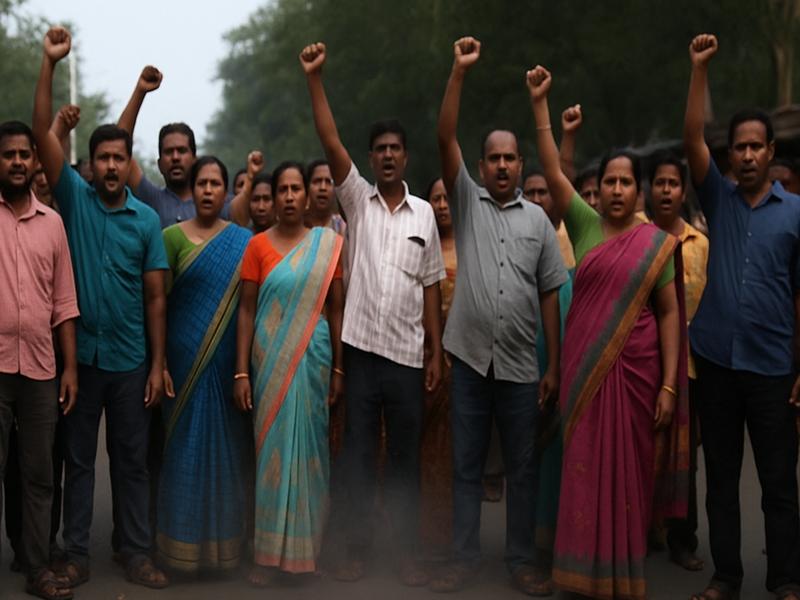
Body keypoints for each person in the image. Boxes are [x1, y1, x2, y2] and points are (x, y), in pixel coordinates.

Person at [528, 64, 684, 600]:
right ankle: (575, 572)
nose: (616, 189)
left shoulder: (653, 244)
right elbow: (552, 171)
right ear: (598, 190)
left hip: (637, 379)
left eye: (625, 182)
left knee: (625, 478)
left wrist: (667, 384)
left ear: (637, 190)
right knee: (583, 470)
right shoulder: (586, 224)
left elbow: (668, 314)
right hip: (585, 375)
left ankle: (619, 574)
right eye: (609, 182)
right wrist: (540, 105)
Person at [300, 42, 445, 585]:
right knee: (357, 460)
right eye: (379, 148)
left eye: (394, 149)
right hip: (361, 354)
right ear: (372, 157)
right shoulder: (356, 200)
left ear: (406, 157)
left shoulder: (425, 214)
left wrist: (434, 350)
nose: (386, 155)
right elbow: (329, 139)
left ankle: (405, 553)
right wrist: (315, 78)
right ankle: (355, 549)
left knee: (405, 461)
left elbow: (431, 284)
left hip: (408, 358)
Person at [32, 26, 169, 590]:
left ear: (128, 163)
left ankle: (135, 552)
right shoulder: (75, 202)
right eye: (101, 159)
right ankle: (80, 553)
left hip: (133, 361)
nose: (111, 167)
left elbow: (157, 295)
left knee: (132, 463)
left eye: (119, 158)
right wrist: (48, 63)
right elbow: (43, 132)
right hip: (82, 363)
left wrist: (158, 365)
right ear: (87, 167)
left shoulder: (146, 220)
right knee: (81, 464)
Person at [430, 36, 567, 596]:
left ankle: (519, 559)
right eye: (495, 158)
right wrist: (458, 71)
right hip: (467, 359)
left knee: (521, 467)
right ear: (481, 165)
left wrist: (553, 365)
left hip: (517, 367)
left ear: (520, 163)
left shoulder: (538, 221)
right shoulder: (466, 200)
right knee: (465, 464)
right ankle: (463, 556)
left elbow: (551, 294)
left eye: (512, 157)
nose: (504, 165)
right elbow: (444, 135)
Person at [683, 34, 800, 600]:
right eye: (739, 147)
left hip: (774, 367)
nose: (748, 155)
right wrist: (699, 70)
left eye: (757, 146)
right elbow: (690, 139)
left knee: (779, 484)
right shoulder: (718, 198)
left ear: (771, 151)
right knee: (721, 480)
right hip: (716, 363)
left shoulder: (797, 214)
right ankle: (726, 575)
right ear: (730, 155)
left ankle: (784, 578)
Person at [234, 161, 344, 584]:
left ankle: (305, 554)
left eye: (297, 189)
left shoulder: (328, 245)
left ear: (307, 195)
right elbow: (246, 310)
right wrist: (240, 372)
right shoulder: (257, 246)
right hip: (268, 363)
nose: (290, 196)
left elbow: (336, 308)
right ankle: (266, 557)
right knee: (271, 456)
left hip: (313, 359)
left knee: (311, 453)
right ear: (274, 196)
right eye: (283, 189)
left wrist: (338, 367)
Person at [156, 156, 252, 574]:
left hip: (227, 363)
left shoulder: (245, 241)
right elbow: (158, 304)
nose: (209, 190)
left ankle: (223, 553)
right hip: (182, 365)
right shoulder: (171, 238)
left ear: (227, 192)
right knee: (182, 454)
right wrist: (158, 363)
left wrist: (244, 369)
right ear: (192, 190)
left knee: (226, 455)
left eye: (216, 184)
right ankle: (181, 552)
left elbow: (249, 307)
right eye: (202, 183)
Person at [0, 120, 80, 600]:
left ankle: (37, 566)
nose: (16, 162)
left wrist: (69, 368)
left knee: (37, 472)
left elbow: (64, 303)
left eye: (23, 155)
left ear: (34, 161)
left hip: (40, 368)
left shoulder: (52, 223)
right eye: (7, 154)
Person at [649, 151, 708, 574]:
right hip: (643, 364)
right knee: (641, 453)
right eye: (659, 183)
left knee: (684, 460)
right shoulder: (637, 239)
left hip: (692, 367)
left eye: (673, 183)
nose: (666, 190)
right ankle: (640, 534)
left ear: (683, 191)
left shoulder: (700, 244)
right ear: (648, 189)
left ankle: (682, 539)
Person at [116, 66, 254, 229]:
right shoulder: (151, 199)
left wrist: (252, 176)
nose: (175, 157)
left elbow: (242, 217)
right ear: (160, 164)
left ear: (195, 161)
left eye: (182, 151)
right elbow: (118, 147)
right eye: (169, 152)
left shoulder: (218, 202)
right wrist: (140, 91)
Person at [418, 177, 456, 558]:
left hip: (468, 362)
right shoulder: (423, 248)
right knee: (430, 451)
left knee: (460, 453)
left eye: (448, 198)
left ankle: (456, 538)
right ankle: (427, 536)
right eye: (436, 199)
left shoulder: (474, 246)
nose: (443, 205)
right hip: (429, 359)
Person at [305, 159, 346, 235]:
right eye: (317, 181)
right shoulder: (297, 225)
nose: (323, 188)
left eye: (328, 182)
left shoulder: (343, 228)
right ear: (306, 187)